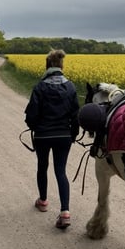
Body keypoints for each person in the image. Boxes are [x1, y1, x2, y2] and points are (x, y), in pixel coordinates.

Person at [24, 49, 79, 229]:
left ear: (47, 66)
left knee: (42, 166)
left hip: (43, 135)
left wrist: (34, 126)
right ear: (61, 66)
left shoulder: (40, 87)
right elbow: (75, 115)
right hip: (63, 136)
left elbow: (31, 115)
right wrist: (73, 134)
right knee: (60, 171)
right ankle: (65, 212)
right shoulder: (70, 87)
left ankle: (43, 201)